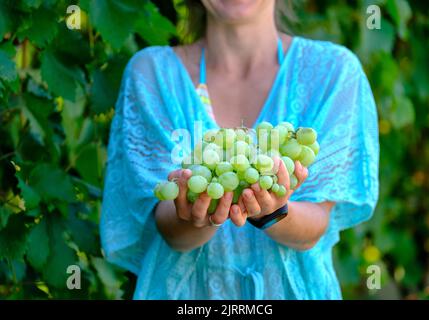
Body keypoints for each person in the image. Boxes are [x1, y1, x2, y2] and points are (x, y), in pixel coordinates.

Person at [100, 0, 379, 299]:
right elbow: (171, 233)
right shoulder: (151, 75)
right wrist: (203, 215)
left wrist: (273, 213)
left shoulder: (333, 73)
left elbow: (316, 226)